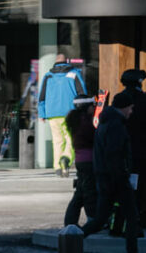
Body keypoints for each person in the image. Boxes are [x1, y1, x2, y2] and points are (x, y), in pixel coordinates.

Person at [80, 92, 141, 253]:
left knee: (100, 219)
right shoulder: (116, 125)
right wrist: (121, 177)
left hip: (105, 177)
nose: (131, 112)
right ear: (125, 107)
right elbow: (114, 154)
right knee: (131, 216)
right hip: (116, 178)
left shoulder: (106, 122)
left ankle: (73, 239)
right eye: (130, 108)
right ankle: (132, 250)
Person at [114, 69, 146, 230]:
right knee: (140, 187)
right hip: (141, 151)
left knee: (124, 187)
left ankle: (120, 220)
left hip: (121, 152)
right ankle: (136, 219)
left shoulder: (118, 99)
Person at [38, 53, 87, 176]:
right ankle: (66, 159)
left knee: (57, 140)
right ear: (67, 61)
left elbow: (42, 97)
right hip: (70, 112)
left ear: (55, 62)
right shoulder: (74, 74)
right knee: (70, 139)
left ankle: (58, 168)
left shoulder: (48, 76)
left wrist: (42, 114)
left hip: (52, 113)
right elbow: (82, 93)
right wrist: (84, 110)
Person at [63, 95, 97, 226]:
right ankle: (92, 219)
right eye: (92, 106)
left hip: (81, 160)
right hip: (88, 161)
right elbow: (93, 138)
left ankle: (71, 221)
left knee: (80, 193)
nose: (94, 108)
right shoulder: (85, 122)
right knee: (88, 192)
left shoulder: (75, 120)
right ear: (85, 107)